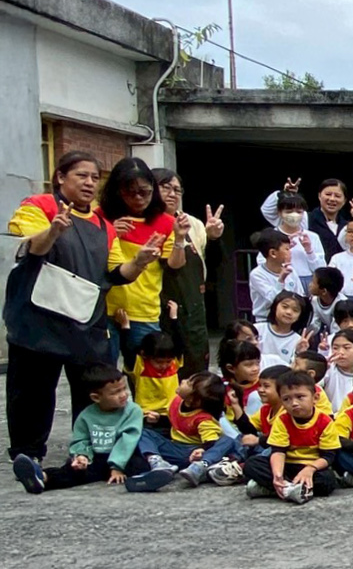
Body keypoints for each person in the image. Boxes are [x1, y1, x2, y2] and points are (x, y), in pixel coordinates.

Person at [6, 152, 171, 462]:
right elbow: (32, 248)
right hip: (38, 320)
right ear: (60, 177)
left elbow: (116, 273)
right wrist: (53, 231)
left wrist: (139, 261)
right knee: (32, 392)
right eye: (81, 175)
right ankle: (27, 454)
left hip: (85, 320)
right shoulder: (40, 205)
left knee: (93, 389)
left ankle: (90, 450)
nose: (89, 183)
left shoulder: (103, 225)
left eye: (95, 177)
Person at [11, 363, 172, 494]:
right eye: (115, 392)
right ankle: (42, 478)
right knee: (73, 471)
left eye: (124, 389)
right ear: (96, 397)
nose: (123, 395)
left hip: (125, 456)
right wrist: (82, 456)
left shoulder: (132, 410)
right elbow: (81, 439)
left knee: (139, 464)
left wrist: (116, 467)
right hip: (97, 457)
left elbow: (128, 439)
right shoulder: (86, 415)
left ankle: (143, 481)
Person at [99, 157, 192, 364]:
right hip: (103, 309)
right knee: (105, 373)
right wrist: (110, 232)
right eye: (130, 192)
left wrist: (179, 238)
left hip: (143, 310)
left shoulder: (166, 222)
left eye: (145, 192)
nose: (138, 198)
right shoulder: (100, 217)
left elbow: (174, 267)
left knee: (149, 372)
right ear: (116, 191)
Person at [153, 168, 221, 376]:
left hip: (193, 307)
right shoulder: (145, 222)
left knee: (196, 370)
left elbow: (213, 263)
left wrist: (213, 237)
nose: (172, 194)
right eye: (166, 188)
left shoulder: (193, 223)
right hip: (159, 307)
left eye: (177, 190)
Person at [244, 369, 339, 503]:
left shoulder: (325, 421)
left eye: (300, 397)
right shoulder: (282, 420)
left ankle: (274, 489)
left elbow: (328, 456)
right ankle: (288, 488)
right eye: (286, 399)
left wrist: (310, 469)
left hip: (312, 466)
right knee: (252, 464)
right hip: (287, 465)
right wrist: (277, 475)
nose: (294, 403)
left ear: (315, 398)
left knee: (327, 480)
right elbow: (278, 451)